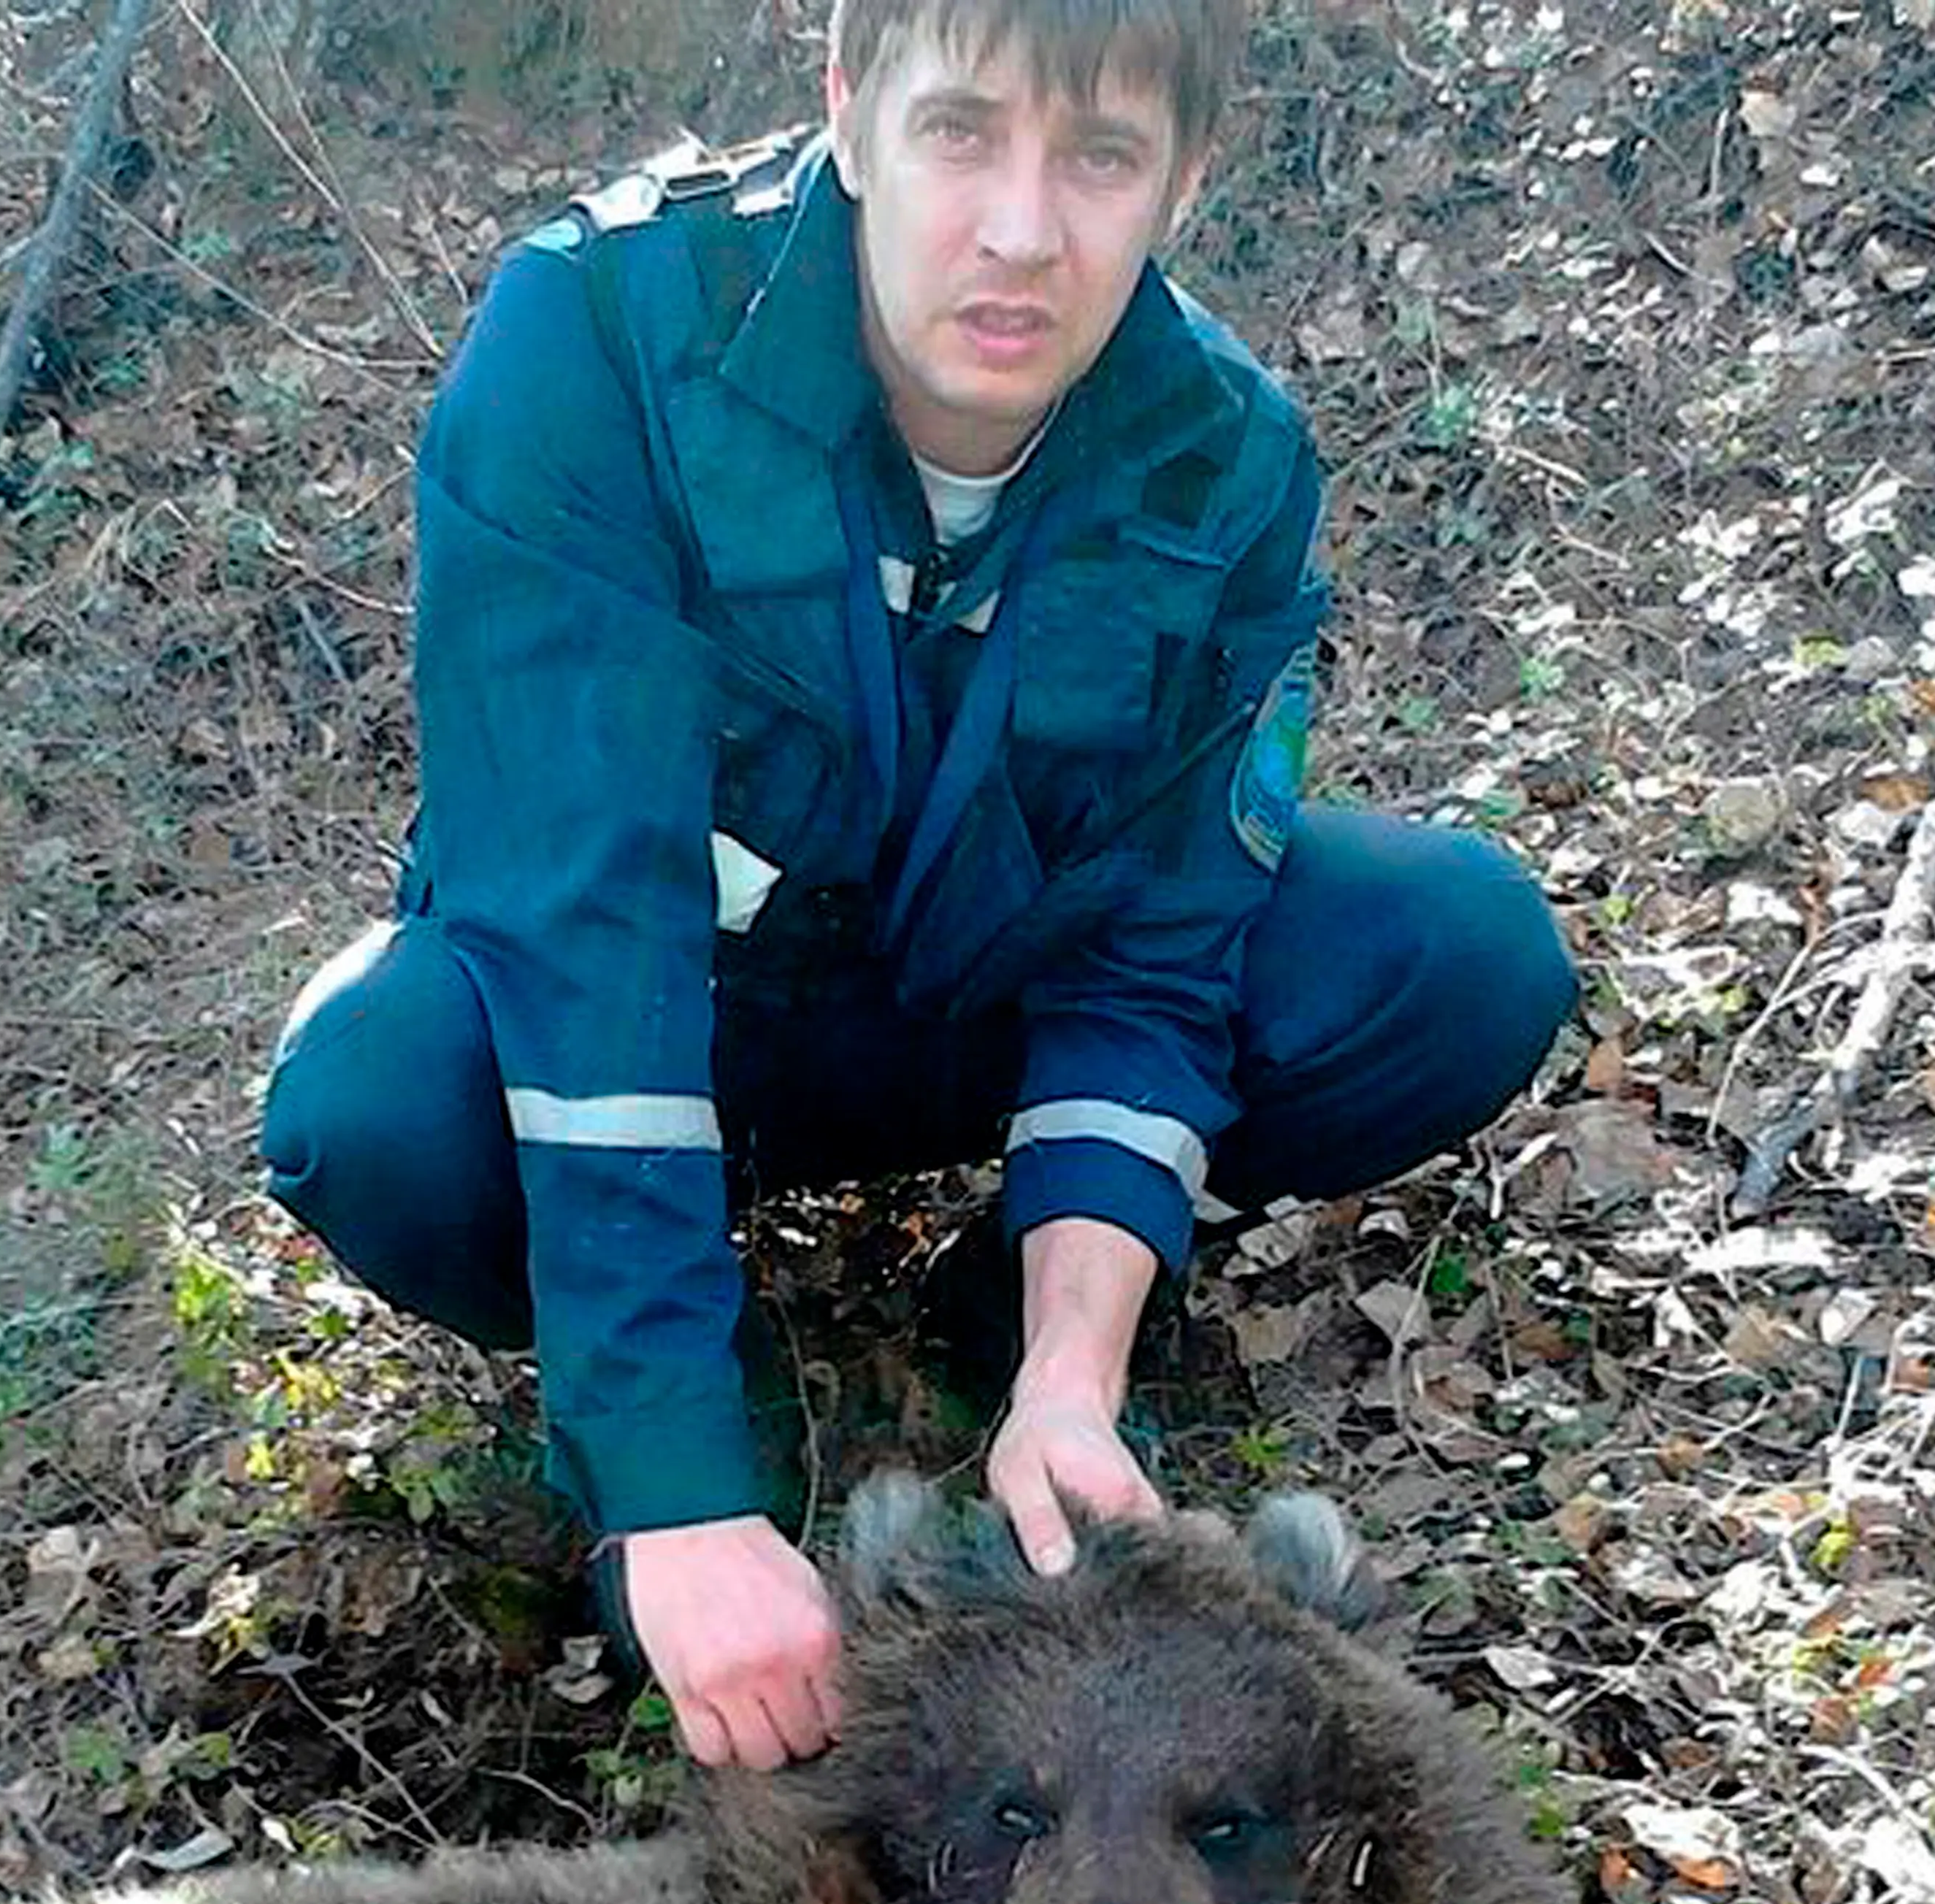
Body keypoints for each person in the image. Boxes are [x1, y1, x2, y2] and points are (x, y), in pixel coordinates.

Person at [261, 0, 1574, 1776]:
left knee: (1459, 953)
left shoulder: (1226, 455)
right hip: (686, 1020)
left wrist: (1069, 1372)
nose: (1022, 230)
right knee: (373, 1105)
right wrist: (677, 1499)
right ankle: (682, 1369)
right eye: (963, 131)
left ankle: (1000, 1318)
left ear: (1183, 180)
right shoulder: (597, 339)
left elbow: (1159, 946)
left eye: (1100, 157)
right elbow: (578, 929)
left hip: (977, 1001)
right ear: (849, 109)